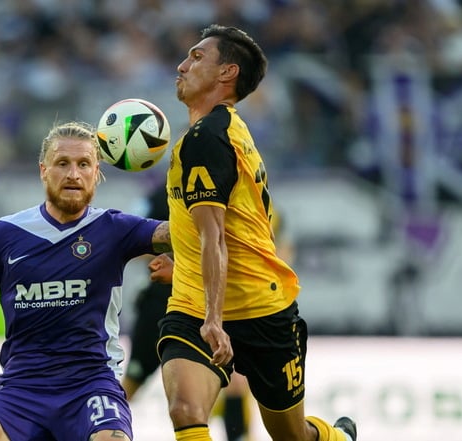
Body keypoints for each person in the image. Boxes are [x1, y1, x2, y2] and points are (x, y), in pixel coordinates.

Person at [152, 24, 358, 441]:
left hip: (260, 310)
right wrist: (188, 269)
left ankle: (336, 438)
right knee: (185, 409)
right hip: (192, 305)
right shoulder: (224, 130)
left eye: (196, 57)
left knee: (291, 434)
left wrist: (215, 319)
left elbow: (217, 238)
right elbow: (215, 228)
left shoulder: (207, 138)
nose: (182, 65)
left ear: (227, 73)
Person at [0, 121, 171, 441]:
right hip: (23, 389)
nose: (73, 174)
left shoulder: (115, 229)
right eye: (62, 164)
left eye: (83, 164)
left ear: (97, 172)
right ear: (43, 170)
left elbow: (182, 233)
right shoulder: (7, 233)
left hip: (90, 386)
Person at [121, 183, 253, 441]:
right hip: (158, 306)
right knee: (132, 384)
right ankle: (97, 428)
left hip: (208, 305)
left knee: (235, 382)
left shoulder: (227, 193)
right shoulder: (158, 196)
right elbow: (131, 244)